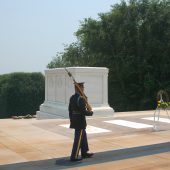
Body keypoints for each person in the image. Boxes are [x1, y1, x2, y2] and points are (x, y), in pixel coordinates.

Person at [68, 82, 94, 162]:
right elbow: (83, 111)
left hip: (75, 119)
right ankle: (74, 156)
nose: (83, 88)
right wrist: (90, 113)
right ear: (80, 88)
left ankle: (84, 152)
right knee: (78, 139)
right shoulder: (81, 98)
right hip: (80, 121)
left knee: (83, 136)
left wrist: (71, 120)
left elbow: (70, 110)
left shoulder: (72, 97)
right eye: (82, 87)